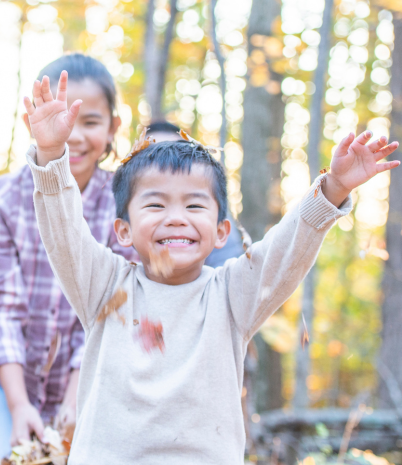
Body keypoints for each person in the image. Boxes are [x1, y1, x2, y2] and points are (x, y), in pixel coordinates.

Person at [23, 71, 399, 464]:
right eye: (155, 205)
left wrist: (334, 187)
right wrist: (50, 154)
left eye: (194, 205)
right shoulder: (103, 287)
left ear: (221, 232)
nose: (176, 217)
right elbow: (63, 231)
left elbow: (284, 252)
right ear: (123, 230)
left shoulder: (232, 295)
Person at [0, 54, 136, 458]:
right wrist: (19, 404)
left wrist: (77, 399)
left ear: (113, 128)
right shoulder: (7, 199)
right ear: (33, 122)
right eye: (61, 119)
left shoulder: (125, 204)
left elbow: (113, 306)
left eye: (89, 122)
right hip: (11, 382)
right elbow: (4, 308)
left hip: (94, 382)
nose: (73, 136)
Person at [147, 121, 244, 267]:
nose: (164, 163)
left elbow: (228, 264)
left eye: (175, 152)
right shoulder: (117, 207)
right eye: (152, 155)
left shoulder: (211, 214)